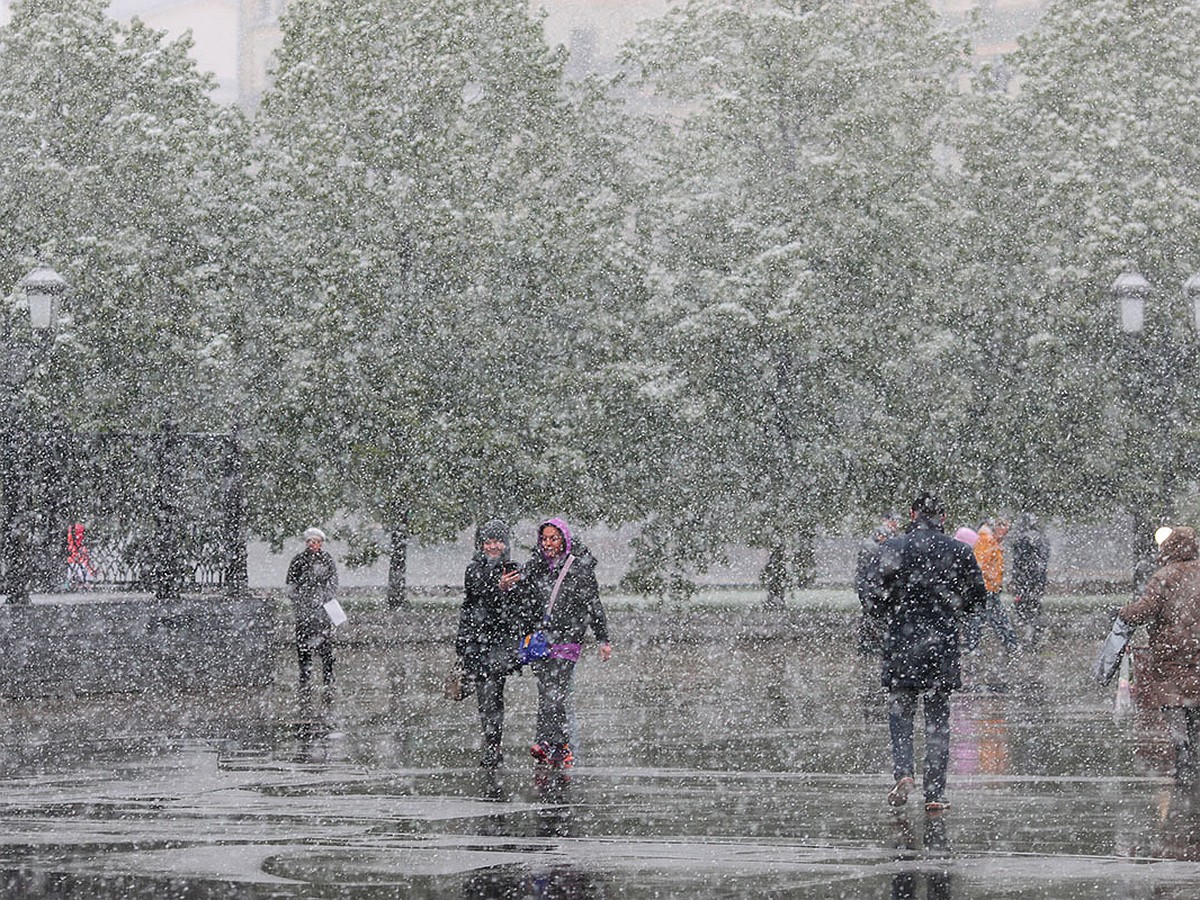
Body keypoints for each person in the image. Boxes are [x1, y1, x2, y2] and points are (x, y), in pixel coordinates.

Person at [866, 491, 988, 811]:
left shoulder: (892, 548)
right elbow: (978, 598)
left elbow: (873, 597)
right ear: (943, 517)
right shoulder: (960, 551)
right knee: (938, 719)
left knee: (901, 713)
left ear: (912, 513)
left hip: (901, 642)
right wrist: (952, 609)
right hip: (941, 644)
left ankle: (904, 771)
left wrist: (890, 614)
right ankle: (935, 792)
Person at [520, 517, 612, 770]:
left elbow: (593, 604)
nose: (548, 543)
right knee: (546, 692)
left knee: (556, 693)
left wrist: (603, 638)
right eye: (544, 539)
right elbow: (524, 601)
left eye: (553, 538)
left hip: (568, 639)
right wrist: (508, 586)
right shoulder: (535, 567)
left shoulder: (579, 568)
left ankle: (553, 743)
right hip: (541, 641)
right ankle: (556, 745)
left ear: (564, 540)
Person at [1116, 526, 1200, 785]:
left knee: (1174, 703)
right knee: (1196, 703)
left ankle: (1183, 755)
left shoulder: (1164, 576)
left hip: (1171, 653)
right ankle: (1195, 752)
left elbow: (1145, 610)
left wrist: (1123, 614)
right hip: (1197, 651)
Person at [454, 519, 538, 771]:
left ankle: (494, 745)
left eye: (497, 541)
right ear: (481, 544)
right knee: (485, 696)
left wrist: (517, 588)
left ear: (506, 543)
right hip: (477, 642)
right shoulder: (474, 569)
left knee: (493, 693)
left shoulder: (513, 568)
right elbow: (475, 598)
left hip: (501, 642)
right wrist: (497, 588)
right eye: (488, 541)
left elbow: (523, 605)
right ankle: (492, 744)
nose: (493, 546)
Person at [286, 526, 339, 693]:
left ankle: (328, 677)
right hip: (304, 610)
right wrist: (300, 600)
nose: (312, 544)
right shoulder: (298, 560)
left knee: (325, 646)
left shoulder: (327, 559)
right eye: (309, 541)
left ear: (321, 543)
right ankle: (305, 677)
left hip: (322, 610)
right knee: (303, 646)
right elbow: (291, 583)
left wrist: (326, 597)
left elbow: (333, 582)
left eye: (315, 542)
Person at [963, 520, 1020, 655]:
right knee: (993, 618)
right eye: (1004, 527)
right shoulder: (986, 541)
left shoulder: (991, 541)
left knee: (981, 617)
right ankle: (1011, 644)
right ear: (996, 526)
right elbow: (981, 564)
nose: (1006, 532)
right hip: (987, 588)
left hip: (989, 588)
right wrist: (991, 579)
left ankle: (972, 646)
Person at [855, 512, 900, 654]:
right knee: (872, 617)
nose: (896, 524)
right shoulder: (873, 547)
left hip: (874, 589)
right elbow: (868, 573)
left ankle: (870, 646)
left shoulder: (883, 544)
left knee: (874, 618)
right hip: (871, 589)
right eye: (893, 521)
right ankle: (869, 646)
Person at [1009, 514, 1051, 643]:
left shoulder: (1021, 540)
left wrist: (1016, 579)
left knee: (1023, 607)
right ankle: (1035, 634)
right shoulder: (1042, 539)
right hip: (1037, 581)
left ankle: (1028, 633)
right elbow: (1044, 560)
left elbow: (1018, 562)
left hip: (1025, 580)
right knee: (1035, 606)